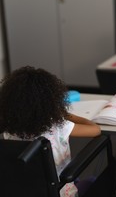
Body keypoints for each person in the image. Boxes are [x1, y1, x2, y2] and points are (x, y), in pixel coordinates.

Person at [0, 66, 101, 197]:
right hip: (59, 192)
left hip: (22, 191)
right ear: (51, 101)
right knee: (92, 181)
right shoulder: (59, 127)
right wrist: (64, 114)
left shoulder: (8, 130)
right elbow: (96, 129)